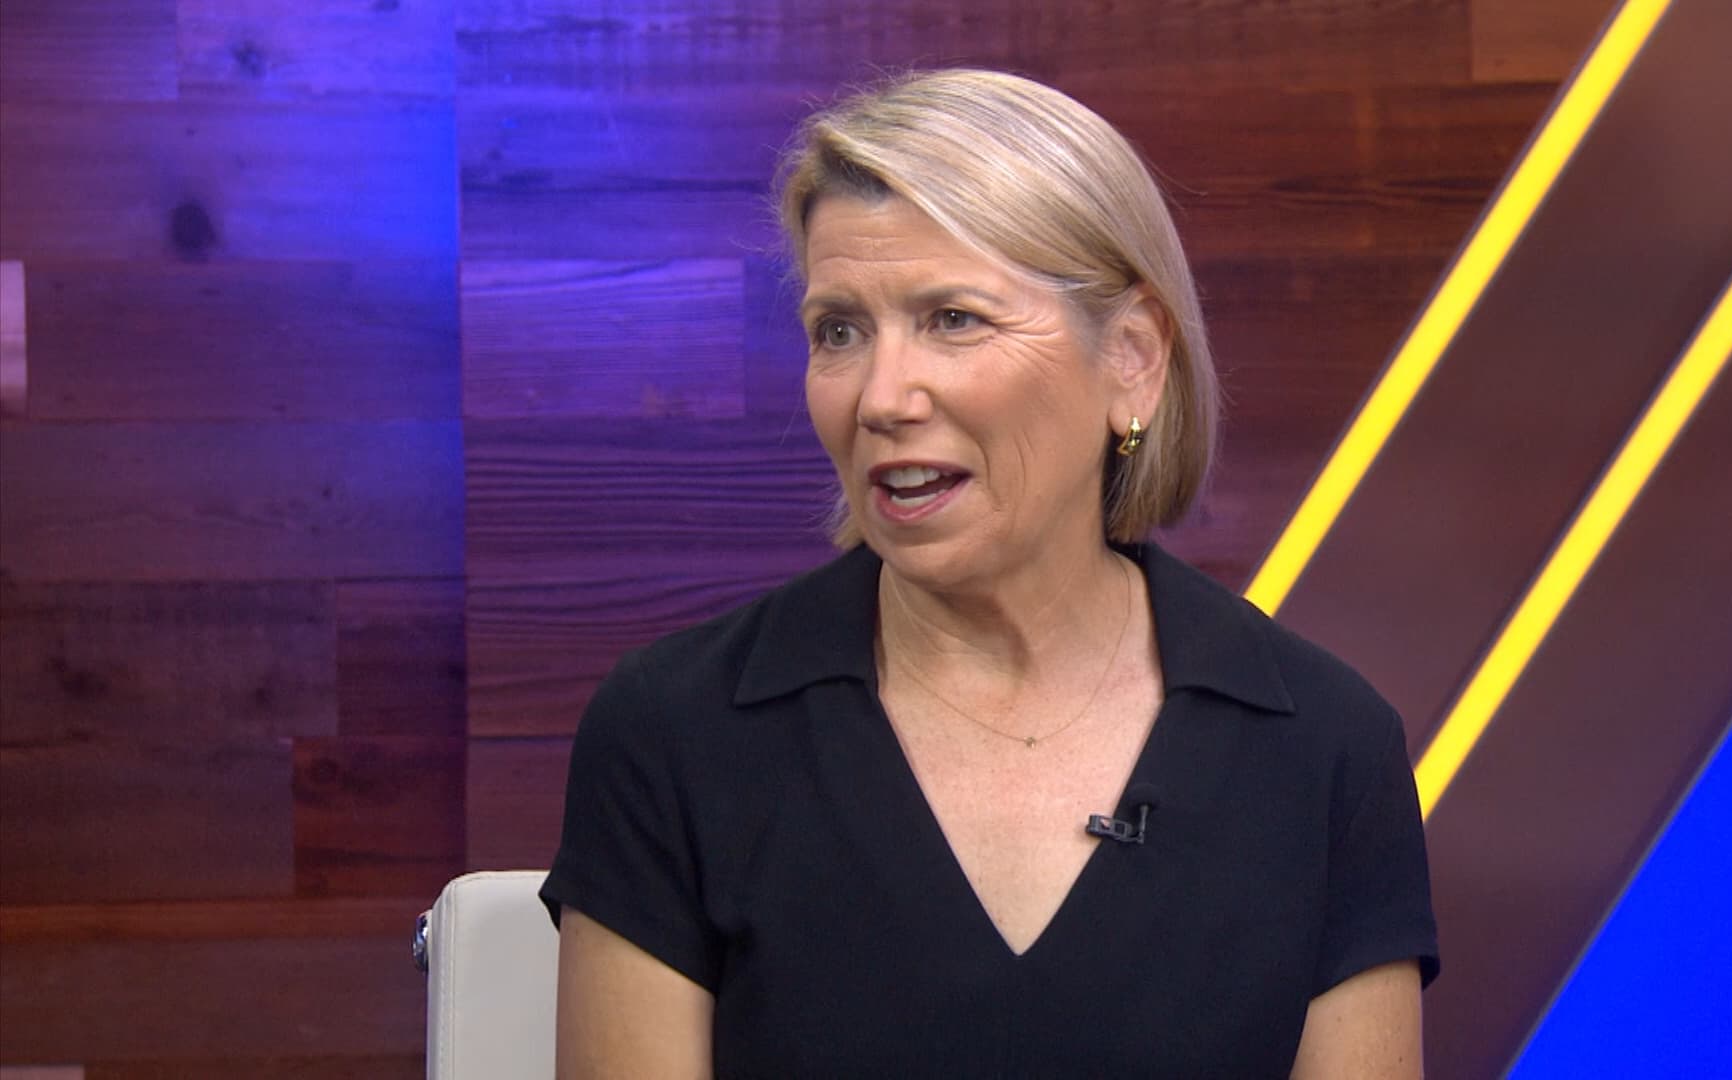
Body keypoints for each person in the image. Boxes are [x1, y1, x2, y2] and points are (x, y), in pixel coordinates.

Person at [541, 68, 1438, 1078]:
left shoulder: (1324, 746)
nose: (881, 397)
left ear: (1132, 359)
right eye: (840, 331)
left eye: (954, 319)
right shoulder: (675, 730)